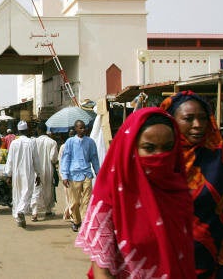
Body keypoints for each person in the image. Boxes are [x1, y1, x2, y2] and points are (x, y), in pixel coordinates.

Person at [75, 107, 195, 278]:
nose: (160, 156)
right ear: (131, 148)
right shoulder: (110, 195)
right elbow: (102, 269)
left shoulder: (179, 191)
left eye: (167, 148)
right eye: (149, 148)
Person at [160, 91, 223, 277]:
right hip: (164, 264)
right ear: (171, 121)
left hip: (213, 265)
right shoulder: (157, 162)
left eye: (202, 118)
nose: (197, 125)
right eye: (188, 119)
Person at [60, 120, 100, 232]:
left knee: (86, 199)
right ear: (76, 129)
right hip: (74, 174)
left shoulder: (90, 142)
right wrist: (65, 175)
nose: (83, 129)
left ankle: (84, 221)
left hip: (87, 173)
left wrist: (98, 171)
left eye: (84, 127)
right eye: (80, 128)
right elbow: (65, 159)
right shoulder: (70, 142)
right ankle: (76, 221)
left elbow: (94, 158)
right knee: (75, 201)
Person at [4, 120, 41, 228]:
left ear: (18, 131)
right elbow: (36, 160)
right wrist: (38, 174)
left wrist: (9, 174)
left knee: (18, 194)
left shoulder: (14, 143)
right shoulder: (31, 142)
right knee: (27, 193)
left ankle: (19, 216)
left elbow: (9, 160)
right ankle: (20, 211)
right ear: (27, 130)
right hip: (27, 172)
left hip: (16, 173)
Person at [30, 122, 59, 221]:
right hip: (48, 169)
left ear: (38, 130)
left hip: (35, 170)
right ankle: (48, 210)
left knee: (35, 189)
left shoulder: (33, 142)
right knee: (48, 188)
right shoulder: (52, 142)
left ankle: (34, 213)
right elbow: (53, 158)